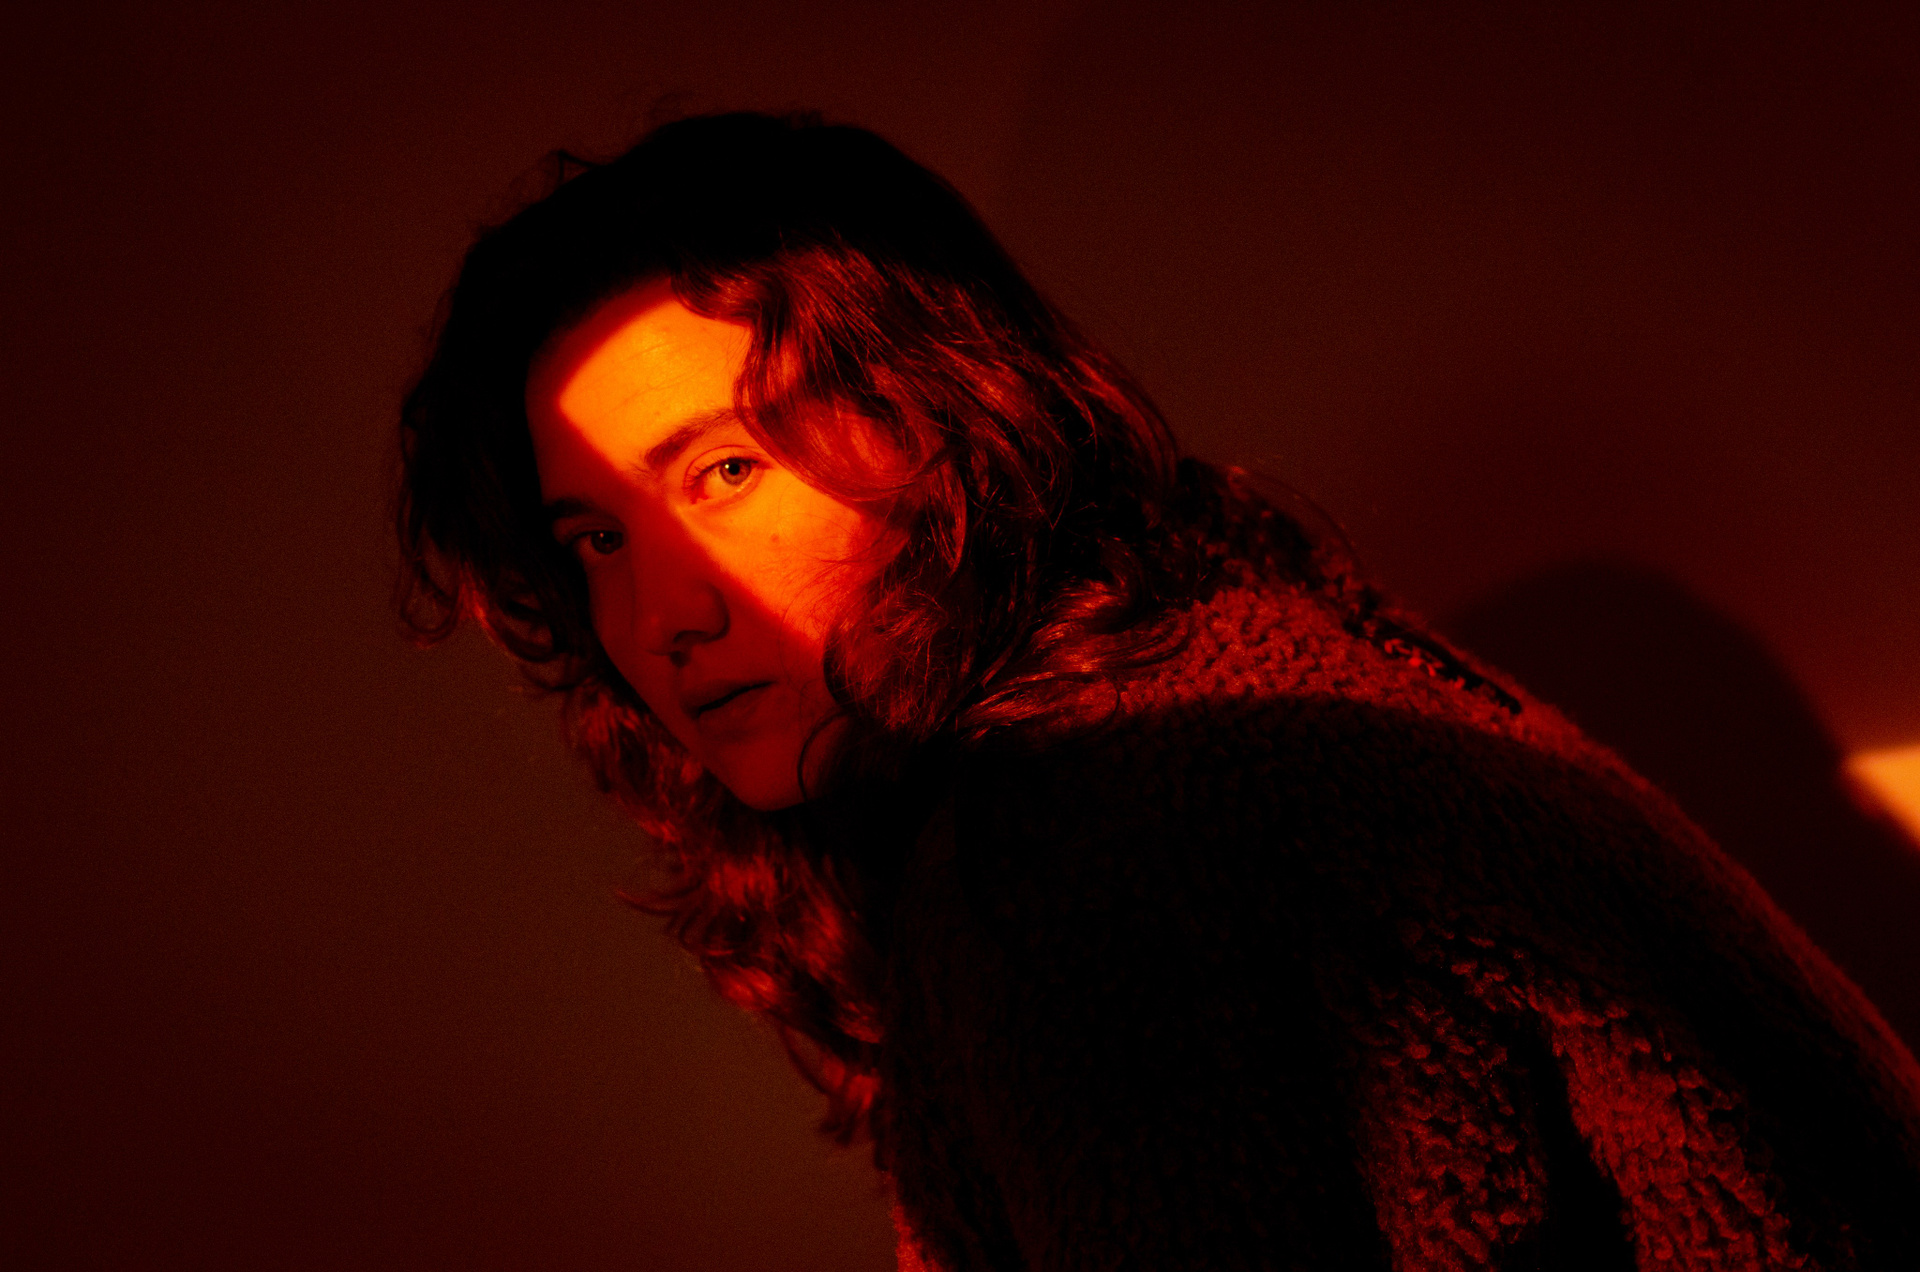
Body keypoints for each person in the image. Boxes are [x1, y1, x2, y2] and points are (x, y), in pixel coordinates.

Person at [395, 111, 1920, 1270]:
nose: (659, 614)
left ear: (948, 423)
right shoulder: (1211, 682)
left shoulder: (1090, 843)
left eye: (725, 471)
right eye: (597, 539)